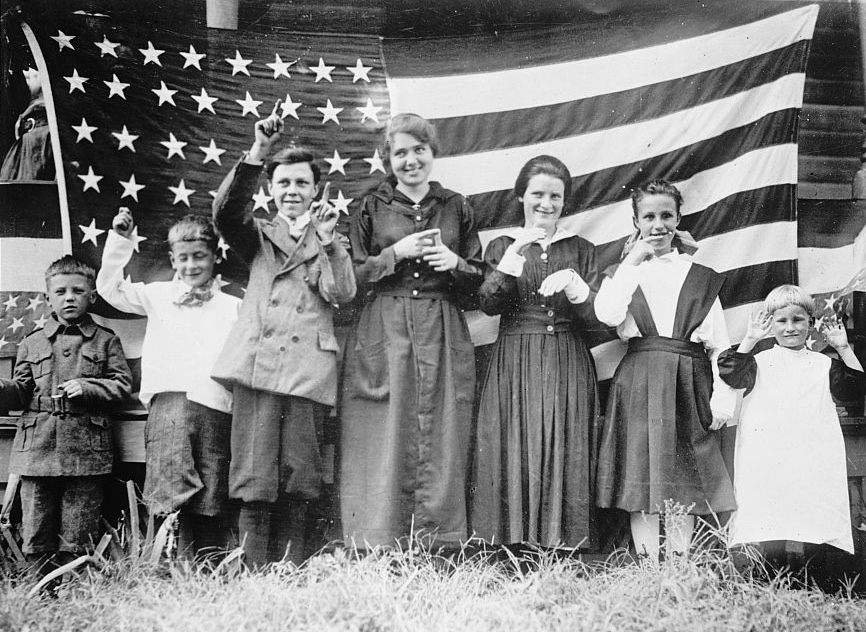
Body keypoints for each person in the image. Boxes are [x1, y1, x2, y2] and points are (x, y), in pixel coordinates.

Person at [212, 101, 356, 568]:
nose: (292, 191)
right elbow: (225, 213)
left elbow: (342, 294)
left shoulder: (332, 236)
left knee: (301, 472)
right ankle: (253, 567)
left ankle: (290, 568)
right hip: (259, 364)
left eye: (301, 183)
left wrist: (330, 242)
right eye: (283, 183)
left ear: (316, 190)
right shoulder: (256, 233)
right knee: (254, 470)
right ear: (270, 189)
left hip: (308, 369)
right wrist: (258, 149)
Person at [340, 113, 484, 548]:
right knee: (385, 427)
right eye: (400, 152)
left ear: (432, 153)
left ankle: (438, 540)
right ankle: (379, 538)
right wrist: (395, 254)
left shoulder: (456, 205)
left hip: (441, 326)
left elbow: (482, 285)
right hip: (385, 326)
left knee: (442, 428)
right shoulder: (370, 206)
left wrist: (455, 265)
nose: (411, 160)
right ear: (388, 158)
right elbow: (350, 278)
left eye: (418, 149)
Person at [594, 179, 736, 562]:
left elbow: (719, 344)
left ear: (678, 218)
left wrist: (722, 396)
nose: (658, 225)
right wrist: (633, 260)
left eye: (666, 216)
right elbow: (606, 314)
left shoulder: (699, 275)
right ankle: (649, 568)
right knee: (643, 474)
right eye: (649, 216)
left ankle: (678, 564)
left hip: (687, 380)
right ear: (636, 220)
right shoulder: (624, 272)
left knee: (683, 476)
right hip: (640, 378)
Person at [470, 155, 600, 549]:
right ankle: (512, 543)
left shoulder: (581, 248)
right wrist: (516, 253)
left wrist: (576, 285)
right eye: (537, 194)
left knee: (566, 440)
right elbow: (488, 304)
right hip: (515, 357)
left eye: (555, 196)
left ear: (565, 201)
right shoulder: (503, 245)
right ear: (521, 197)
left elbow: (600, 319)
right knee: (515, 442)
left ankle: (564, 543)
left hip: (566, 357)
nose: (546, 203)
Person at [96, 209, 240, 559]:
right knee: (169, 481)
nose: (192, 266)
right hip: (170, 405)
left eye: (200, 257)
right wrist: (120, 240)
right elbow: (108, 289)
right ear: (173, 260)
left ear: (215, 256)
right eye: (184, 258)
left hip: (215, 404)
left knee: (212, 480)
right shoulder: (157, 295)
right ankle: (167, 561)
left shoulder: (233, 304)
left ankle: (207, 563)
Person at [0, 256, 131, 572]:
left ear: (92, 296)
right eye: (60, 291)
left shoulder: (106, 340)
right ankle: (39, 588)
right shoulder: (31, 343)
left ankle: (74, 586)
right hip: (38, 450)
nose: (69, 297)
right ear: (48, 298)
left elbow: (122, 385)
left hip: (85, 451)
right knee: (37, 525)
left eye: (77, 290)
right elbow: (20, 392)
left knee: (79, 526)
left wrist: (88, 387)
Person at [719, 285, 864, 557]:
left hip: (811, 454)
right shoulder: (758, 362)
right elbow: (730, 374)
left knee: (814, 514)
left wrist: (843, 348)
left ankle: (813, 578)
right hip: (768, 455)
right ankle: (771, 577)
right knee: (770, 516)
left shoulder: (823, 365)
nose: (790, 328)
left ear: (810, 321)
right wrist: (750, 339)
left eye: (798, 320)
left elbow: (855, 389)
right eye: (781, 321)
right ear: (770, 323)